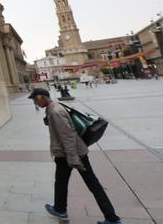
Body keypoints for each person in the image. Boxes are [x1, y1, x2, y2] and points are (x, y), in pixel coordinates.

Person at [28, 88, 121, 224]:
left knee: (88, 184)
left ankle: (111, 218)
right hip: (72, 153)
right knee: (64, 182)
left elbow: (68, 136)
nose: (36, 103)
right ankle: (61, 209)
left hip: (69, 154)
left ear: (42, 97)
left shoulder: (55, 111)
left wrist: (72, 158)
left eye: (35, 100)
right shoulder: (54, 108)